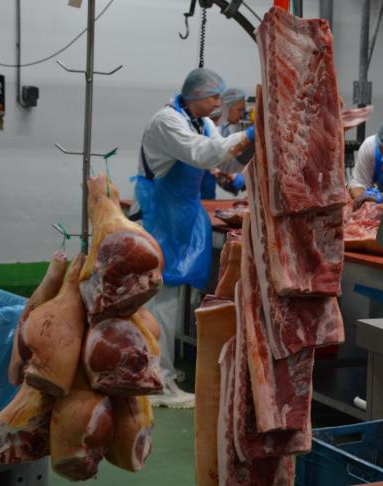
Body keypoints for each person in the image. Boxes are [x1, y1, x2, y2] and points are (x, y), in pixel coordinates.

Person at [129, 68, 255, 408]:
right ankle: (158, 382)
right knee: (162, 301)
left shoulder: (203, 122)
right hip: (159, 216)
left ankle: (162, 369)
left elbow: (218, 150)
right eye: (215, 97)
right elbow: (203, 155)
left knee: (170, 297)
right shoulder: (167, 121)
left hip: (181, 215)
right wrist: (253, 134)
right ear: (196, 97)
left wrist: (247, 150)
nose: (219, 103)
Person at [201, 87, 248, 199]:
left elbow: (219, 167)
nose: (241, 115)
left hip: (207, 193)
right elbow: (205, 163)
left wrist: (229, 180)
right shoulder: (204, 128)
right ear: (226, 107)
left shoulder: (224, 131)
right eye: (239, 110)